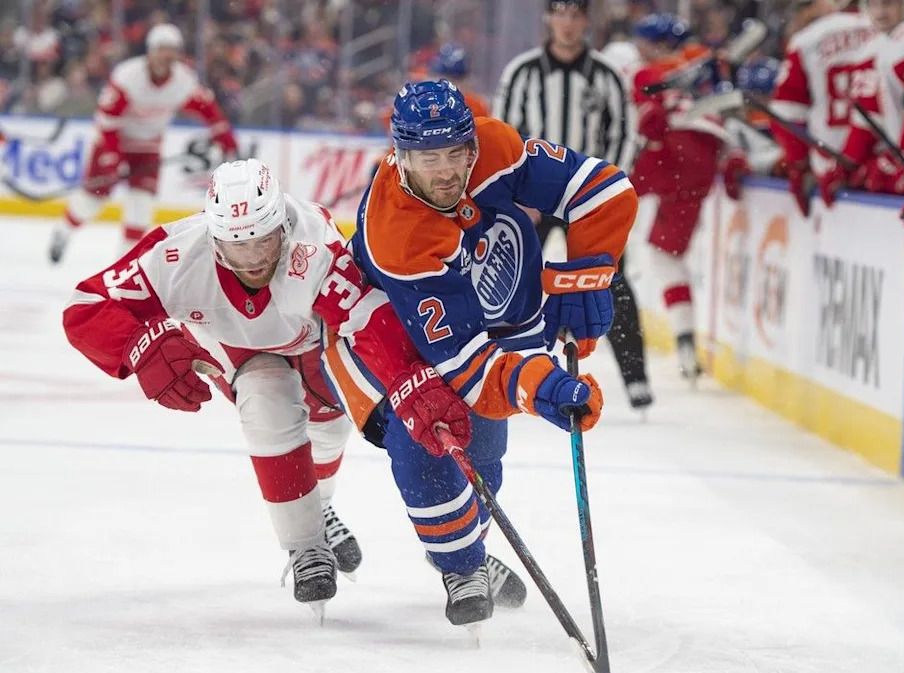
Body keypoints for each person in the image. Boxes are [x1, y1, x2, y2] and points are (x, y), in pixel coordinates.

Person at [62, 159, 473, 614]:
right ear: (213, 238)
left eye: (263, 240)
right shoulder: (176, 255)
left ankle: (324, 506)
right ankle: (305, 545)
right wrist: (138, 344)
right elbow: (86, 304)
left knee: (330, 424)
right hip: (234, 348)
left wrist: (408, 381)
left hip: (316, 336)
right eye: (239, 247)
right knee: (265, 399)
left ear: (282, 224)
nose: (255, 258)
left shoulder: (314, 247)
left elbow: (365, 317)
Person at [349, 79, 637, 627]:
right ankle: (459, 565)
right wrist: (544, 388)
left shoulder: (496, 146)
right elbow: (469, 371)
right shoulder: (398, 235)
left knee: (483, 462)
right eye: (427, 156)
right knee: (428, 442)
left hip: (487, 316)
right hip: (391, 333)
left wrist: (586, 276)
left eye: (456, 152)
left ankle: (464, 545)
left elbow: (602, 188)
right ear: (399, 153)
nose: (445, 170)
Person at [492, 0, 652, 411]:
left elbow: (622, 135)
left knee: (610, 280)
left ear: (586, 20)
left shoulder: (607, 76)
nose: (567, 23)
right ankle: (502, 367)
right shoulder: (522, 72)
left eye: (576, 14)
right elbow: (504, 136)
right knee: (510, 278)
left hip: (589, 200)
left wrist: (607, 196)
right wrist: (514, 197)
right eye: (560, 13)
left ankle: (635, 376)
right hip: (533, 201)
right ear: (548, 18)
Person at [48, 23, 239, 264]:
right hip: (113, 141)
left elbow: (209, 111)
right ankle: (63, 232)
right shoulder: (128, 76)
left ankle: (124, 265)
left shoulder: (183, 80)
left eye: (171, 50)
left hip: (148, 146)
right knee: (93, 198)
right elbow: (107, 120)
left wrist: (225, 139)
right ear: (150, 51)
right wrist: (111, 157)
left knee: (141, 206)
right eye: (161, 49)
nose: (166, 56)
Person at [630, 13, 746, 381]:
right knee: (665, 251)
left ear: (654, 43)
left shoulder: (645, 73)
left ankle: (572, 303)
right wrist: (732, 157)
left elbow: (650, 121)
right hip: (705, 154)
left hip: (667, 153)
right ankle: (683, 335)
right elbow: (731, 111)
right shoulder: (711, 61)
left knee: (594, 197)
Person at [817, 0, 904, 205]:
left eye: (888, 4)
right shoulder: (879, 46)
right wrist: (848, 163)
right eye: (873, 4)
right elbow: (868, 116)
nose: (880, 13)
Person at [769, 0, 874, 216]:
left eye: (805, 5)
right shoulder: (879, 28)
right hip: (879, 163)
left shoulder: (804, 41)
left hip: (830, 167)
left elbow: (785, 112)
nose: (801, 14)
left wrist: (799, 165)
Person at [428, 43, 490, 117]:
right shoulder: (426, 103)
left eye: (456, 79)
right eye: (445, 78)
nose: (448, 85)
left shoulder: (476, 106)